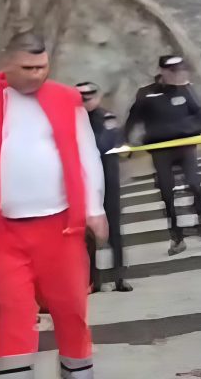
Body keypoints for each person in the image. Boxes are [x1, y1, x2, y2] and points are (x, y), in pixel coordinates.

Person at [0, 32, 106, 378]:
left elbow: (87, 155)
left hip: (62, 227)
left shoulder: (67, 100)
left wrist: (95, 207)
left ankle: (78, 371)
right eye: (28, 68)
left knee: (71, 308)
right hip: (3, 232)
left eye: (42, 67)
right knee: (12, 312)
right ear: (7, 64)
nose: (37, 74)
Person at [124, 55, 201, 256]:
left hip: (185, 147)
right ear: (162, 71)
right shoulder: (146, 94)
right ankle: (176, 237)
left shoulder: (186, 89)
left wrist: (198, 128)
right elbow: (133, 119)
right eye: (173, 71)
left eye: (180, 70)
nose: (177, 75)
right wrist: (126, 142)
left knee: (195, 184)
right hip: (161, 150)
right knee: (167, 193)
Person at [76, 82, 133, 293]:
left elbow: (105, 143)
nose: (86, 99)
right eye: (81, 96)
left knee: (114, 230)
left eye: (90, 95)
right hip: (83, 183)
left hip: (107, 181)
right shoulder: (71, 120)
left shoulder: (106, 118)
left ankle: (119, 277)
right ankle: (93, 280)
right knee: (87, 235)